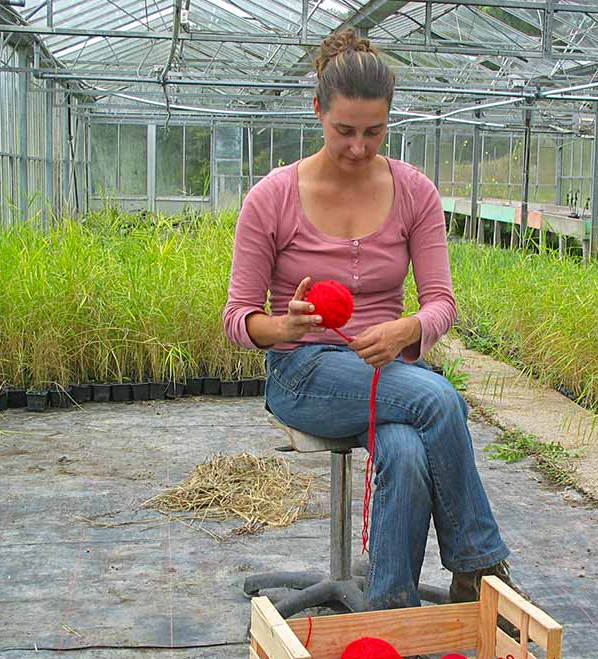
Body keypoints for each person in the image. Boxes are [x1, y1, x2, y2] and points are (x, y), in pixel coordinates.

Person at [223, 29, 522, 611]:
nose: (359, 147)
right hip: (303, 372)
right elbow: (238, 318)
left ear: (388, 121)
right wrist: (282, 328)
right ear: (318, 111)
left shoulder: (415, 192)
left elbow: (442, 303)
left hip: (389, 373)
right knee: (439, 400)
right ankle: (479, 569)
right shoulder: (273, 198)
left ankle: (390, 613)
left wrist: (408, 329)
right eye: (344, 131)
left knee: (408, 451)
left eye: (373, 131)